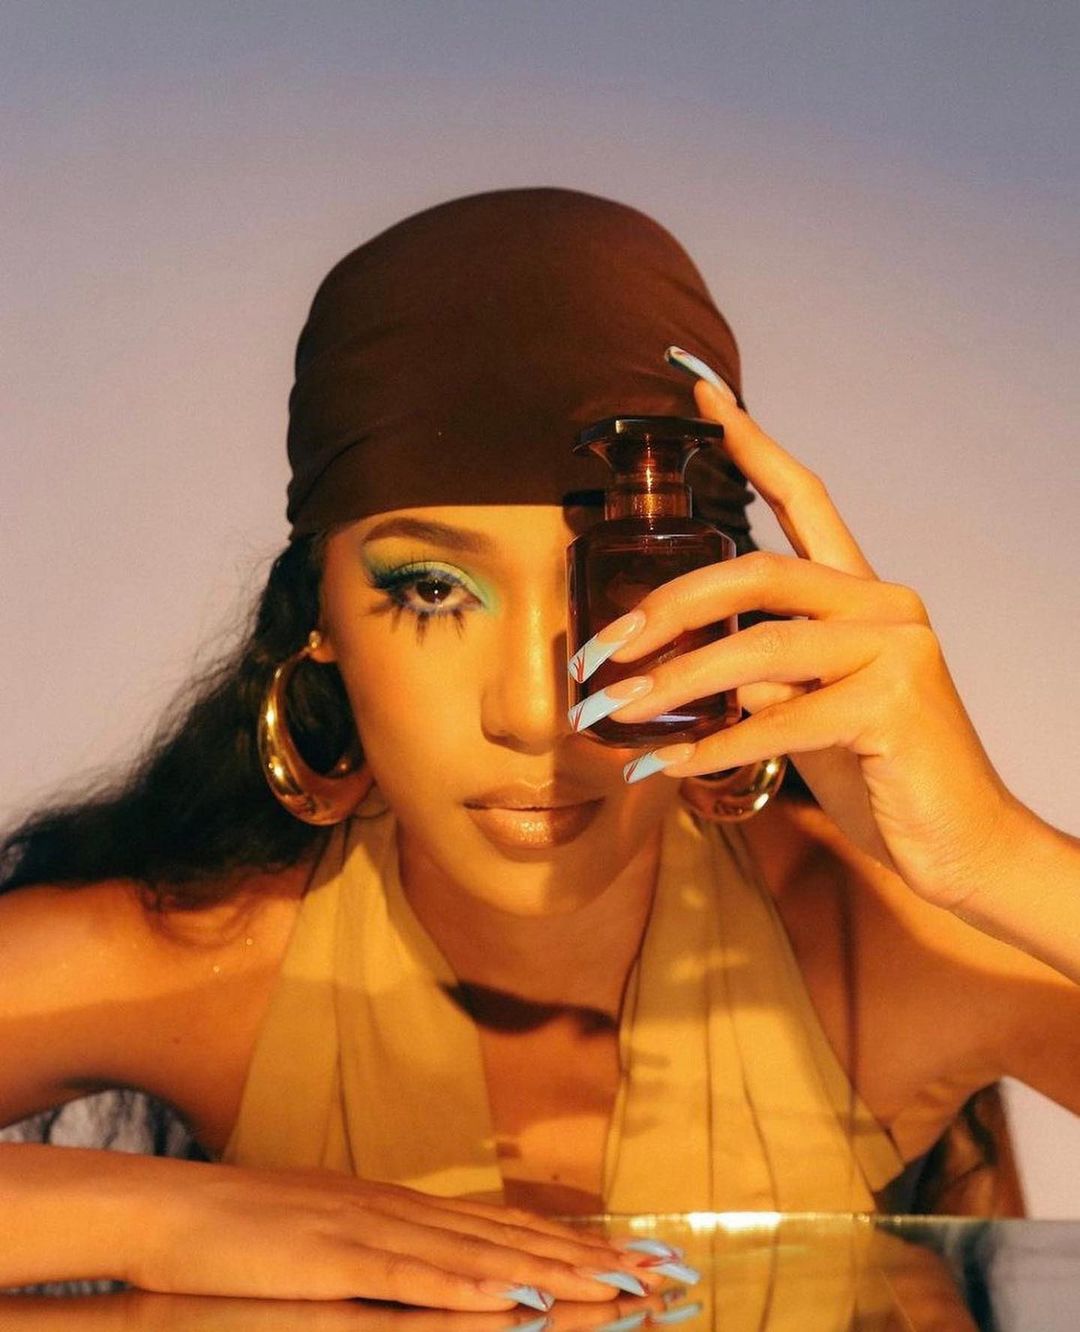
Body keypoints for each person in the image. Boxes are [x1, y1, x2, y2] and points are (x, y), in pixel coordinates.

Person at [2, 188, 1079, 1312]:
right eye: (431, 589)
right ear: (315, 615)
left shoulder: (886, 955)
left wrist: (991, 858)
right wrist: (166, 1219)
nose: (533, 709)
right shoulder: (202, 960)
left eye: (618, 586)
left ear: (721, 604)